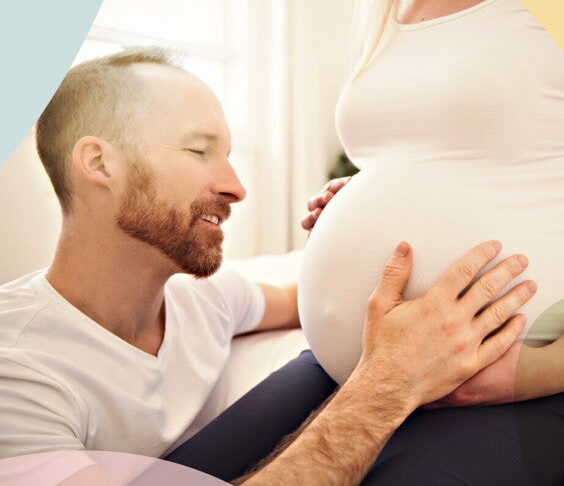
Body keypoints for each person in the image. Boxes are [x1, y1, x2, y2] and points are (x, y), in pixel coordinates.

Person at [0, 47, 536, 485]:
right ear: (100, 164)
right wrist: (387, 385)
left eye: (230, 155)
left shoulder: (202, 300)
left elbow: (308, 299)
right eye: (198, 151)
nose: (236, 186)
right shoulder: (19, 370)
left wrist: (363, 225)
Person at [298, 0, 564, 483]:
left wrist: (555, 367)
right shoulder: (382, 3)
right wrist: (371, 190)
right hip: (363, 370)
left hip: (534, 380)